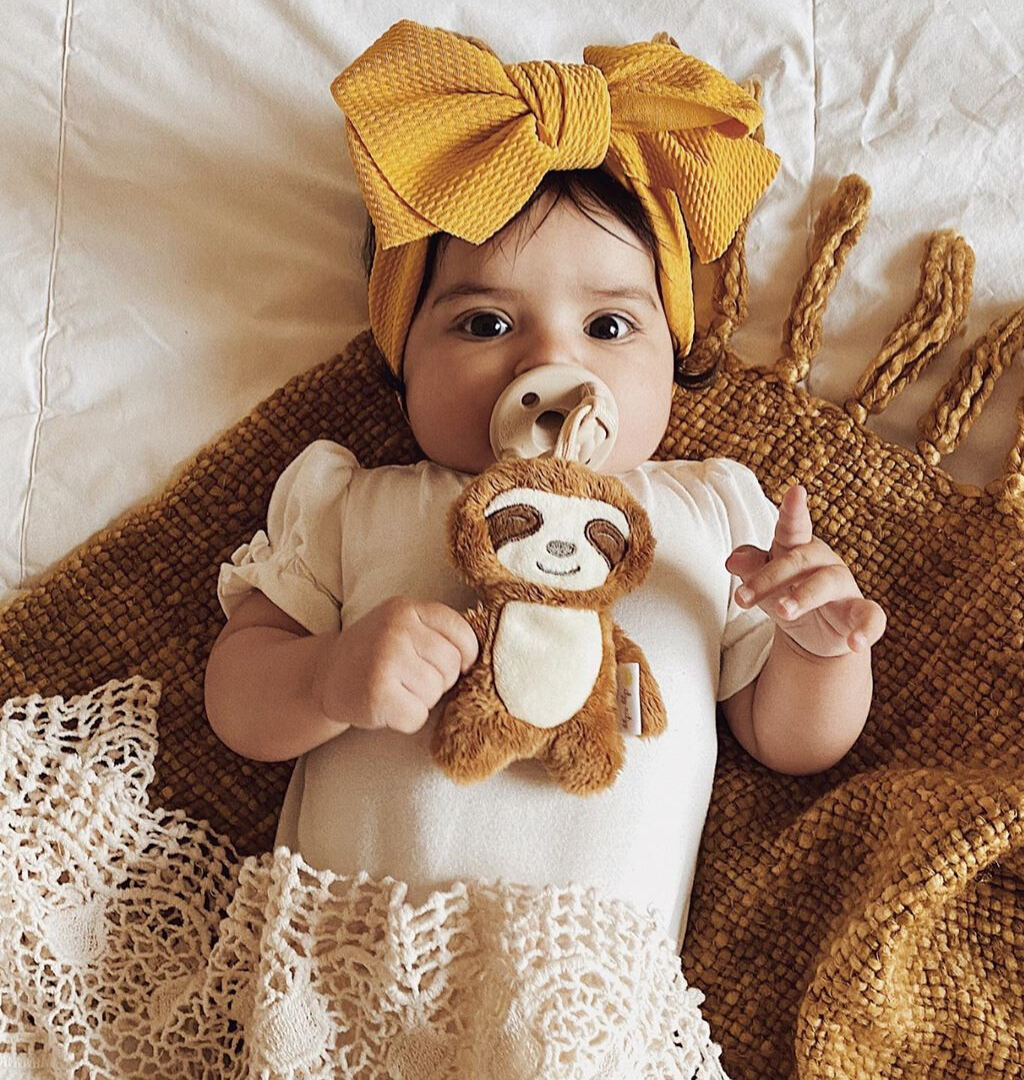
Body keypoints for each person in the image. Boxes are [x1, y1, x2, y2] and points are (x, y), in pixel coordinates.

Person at [203, 20, 887, 957]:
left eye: (609, 326)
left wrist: (816, 650)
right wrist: (326, 677)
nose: (551, 362)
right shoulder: (355, 502)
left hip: (586, 1002)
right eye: (485, 321)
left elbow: (791, 742)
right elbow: (237, 699)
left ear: (675, 353)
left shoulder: (708, 515)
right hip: (356, 971)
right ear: (401, 358)